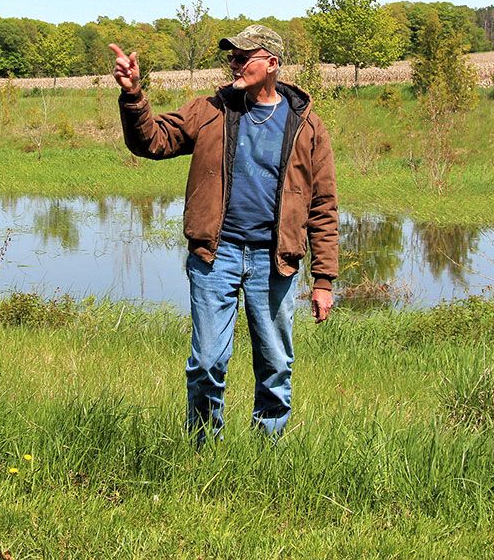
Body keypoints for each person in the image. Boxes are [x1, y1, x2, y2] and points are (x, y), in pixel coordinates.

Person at [109, 24, 338, 442]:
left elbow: (323, 207)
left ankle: (266, 451)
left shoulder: (307, 126)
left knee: (275, 364)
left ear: (271, 63)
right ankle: (202, 449)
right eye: (230, 57)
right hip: (217, 255)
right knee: (207, 363)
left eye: (243, 56)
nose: (233, 63)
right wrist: (132, 95)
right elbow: (153, 141)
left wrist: (323, 279)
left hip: (276, 260)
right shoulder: (210, 110)